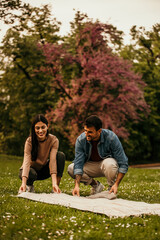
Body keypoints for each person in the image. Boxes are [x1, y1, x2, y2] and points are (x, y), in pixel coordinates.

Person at [68, 115, 128, 197]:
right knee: (71, 168)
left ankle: (111, 188)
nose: (86, 134)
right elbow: (78, 163)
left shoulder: (111, 138)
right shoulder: (81, 140)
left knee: (110, 164)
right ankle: (96, 185)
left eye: (90, 132)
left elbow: (123, 163)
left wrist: (116, 184)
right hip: (91, 165)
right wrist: (76, 186)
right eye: (85, 131)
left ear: (99, 131)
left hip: (106, 165)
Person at [18, 114, 65, 194]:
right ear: (34, 128)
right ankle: (29, 186)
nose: (40, 131)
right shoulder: (29, 141)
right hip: (30, 171)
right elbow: (26, 162)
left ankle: (55, 188)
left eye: (43, 127)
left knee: (60, 156)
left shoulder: (53, 140)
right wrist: (23, 183)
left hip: (43, 170)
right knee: (31, 173)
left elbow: (53, 161)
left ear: (47, 126)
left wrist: (54, 184)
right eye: (37, 128)